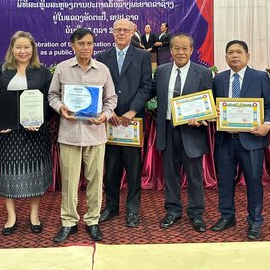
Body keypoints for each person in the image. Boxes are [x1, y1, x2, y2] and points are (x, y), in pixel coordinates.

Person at [48, 28, 117, 243]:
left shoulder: (102, 70)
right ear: (73, 45)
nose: (86, 47)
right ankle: (69, 222)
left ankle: (92, 220)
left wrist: (104, 116)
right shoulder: (62, 69)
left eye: (89, 43)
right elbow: (52, 95)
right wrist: (61, 109)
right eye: (81, 43)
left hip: (95, 134)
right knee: (69, 181)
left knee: (95, 180)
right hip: (69, 134)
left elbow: (111, 99)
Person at [0, 31, 53, 237]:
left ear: (33, 49)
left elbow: (49, 100)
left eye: (26, 47)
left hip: (34, 133)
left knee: (35, 173)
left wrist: (40, 120)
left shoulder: (42, 72)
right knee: (8, 174)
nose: (23, 51)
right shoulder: (0, 70)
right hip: (7, 134)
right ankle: (11, 216)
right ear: (12, 49)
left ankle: (34, 215)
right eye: (18, 47)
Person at [211, 40, 270, 240]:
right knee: (225, 181)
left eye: (239, 52)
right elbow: (212, 106)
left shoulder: (260, 77)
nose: (234, 56)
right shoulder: (219, 79)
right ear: (225, 57)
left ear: (248, 56)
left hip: (252, 140)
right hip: (225, 140)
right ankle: (227, 215)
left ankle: (255, 221)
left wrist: (268, 125)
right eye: (230, 52)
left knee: (254, 182)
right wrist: (213, 112)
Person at [152, 33, 212, 232]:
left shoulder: (203, 73)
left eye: (185, 48)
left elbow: (209, 103)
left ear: (191, 50)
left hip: (191, 131)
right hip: (168, 129)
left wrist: (202, 117)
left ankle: (196, 214)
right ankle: (173, 210)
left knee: (195, 175)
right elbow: (149, 93)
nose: (180, 52)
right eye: (176, 48)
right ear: (170, 51)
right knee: (170, 174)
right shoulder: (160, 72)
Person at [96, 19, 152, 227]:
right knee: (110, 168)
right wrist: (107, 110)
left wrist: (132, 111)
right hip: (109, 121)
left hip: (132, 122)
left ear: (132, 32)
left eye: (125, 30)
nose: (121, 33)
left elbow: (146, 86)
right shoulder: (102, 57)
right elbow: (98, 87)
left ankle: (132, 210)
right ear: (112, 33)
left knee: (133, 168)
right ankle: (111, 206)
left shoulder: (143, 56)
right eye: (118, 30)